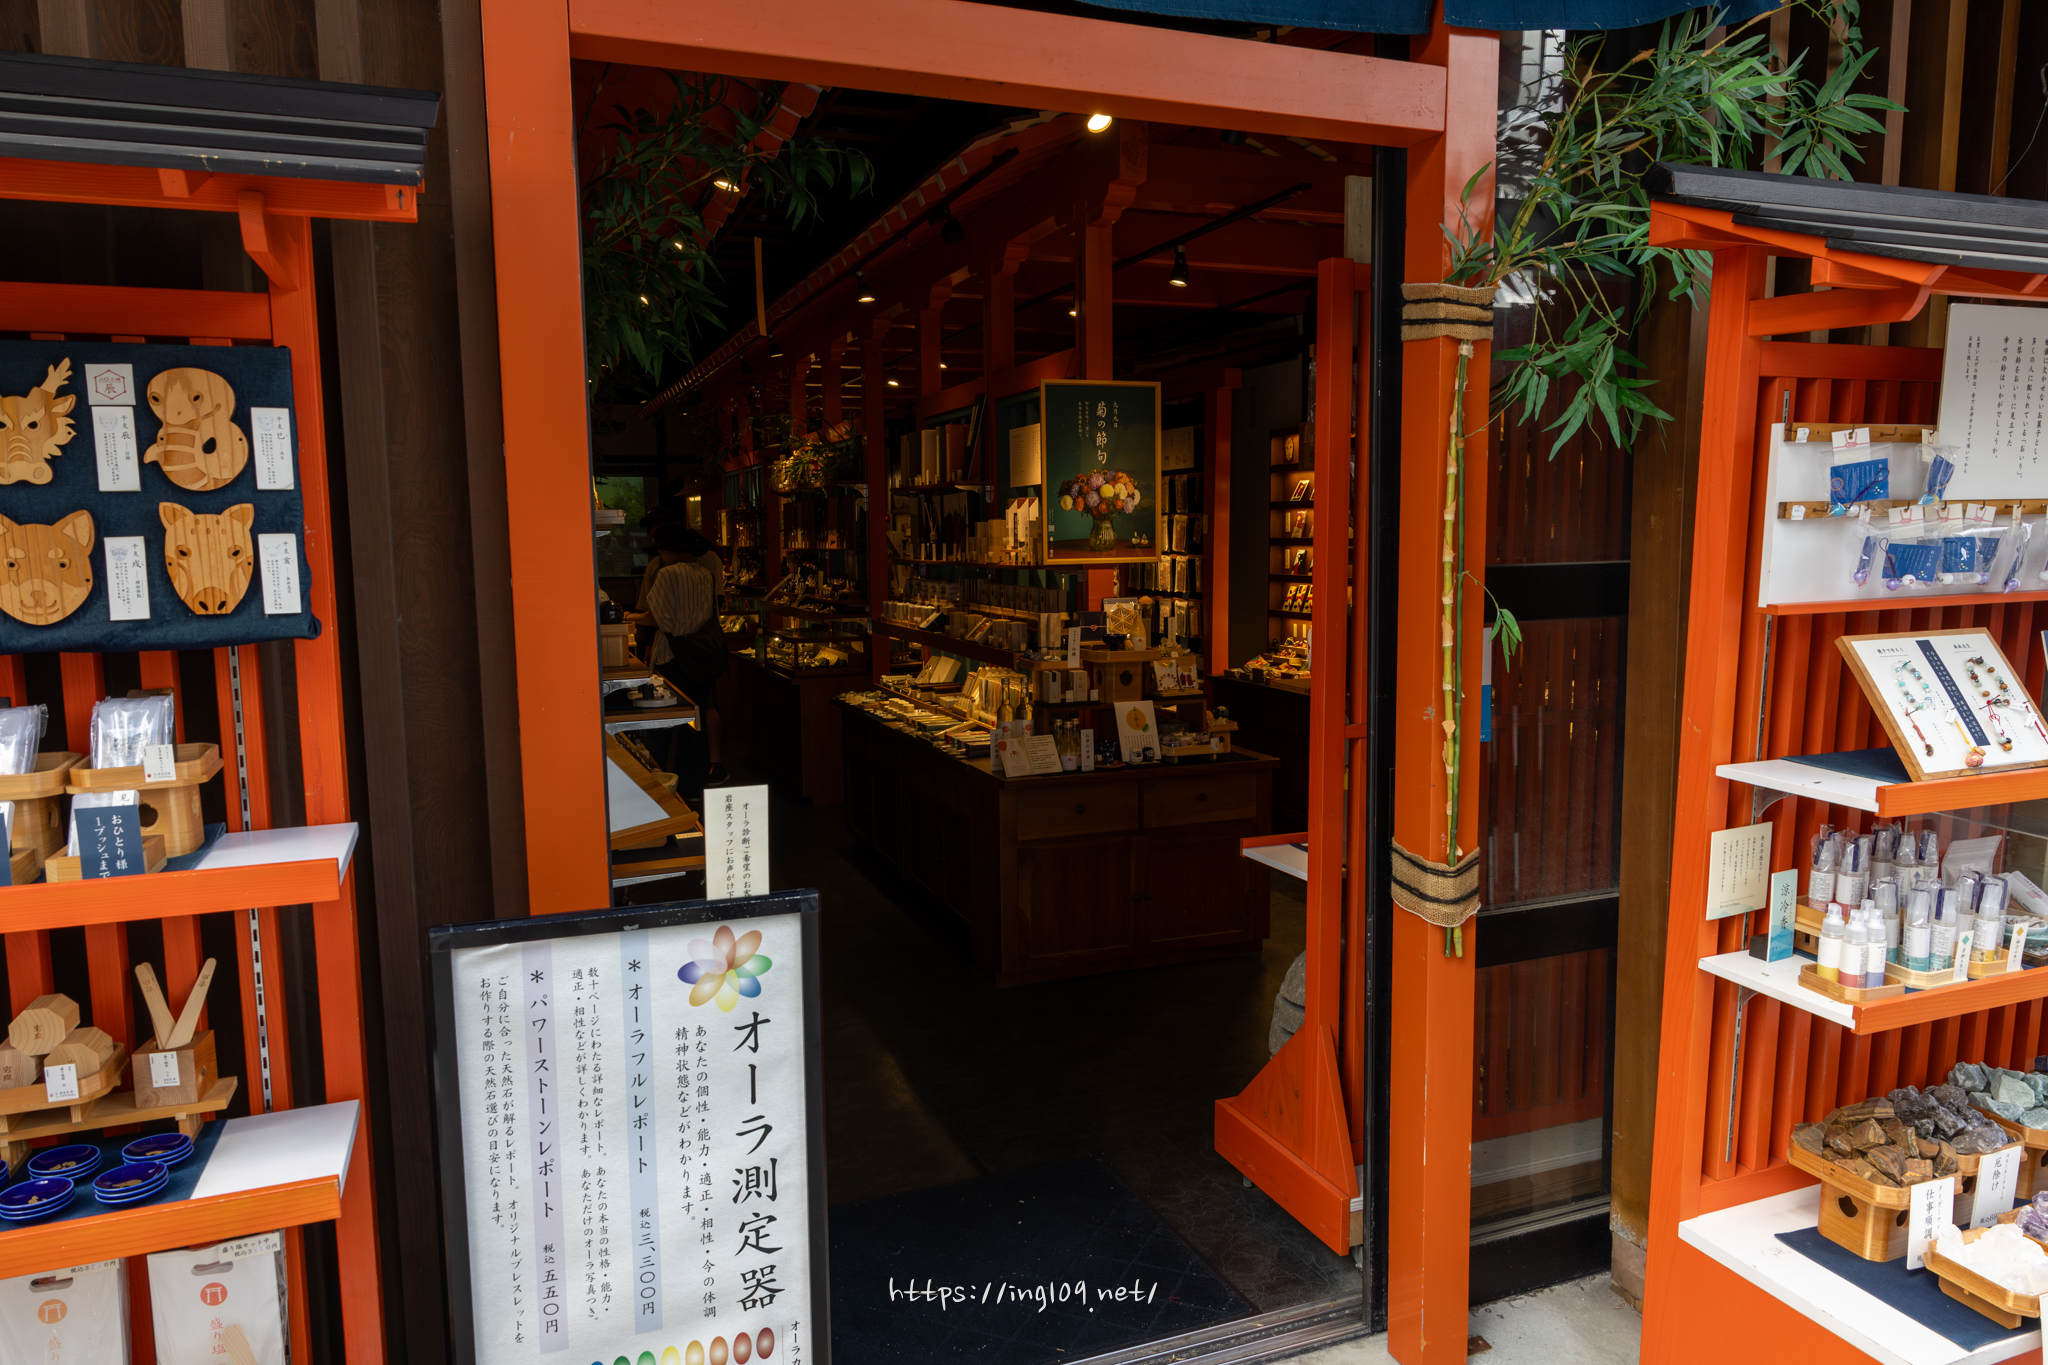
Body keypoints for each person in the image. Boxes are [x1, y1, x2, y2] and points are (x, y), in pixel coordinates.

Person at [627, 523, 730, 786]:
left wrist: (629, 616)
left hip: (671, 658)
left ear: (670, 550)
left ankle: (658, 786)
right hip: (699, 656)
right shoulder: (705, 575)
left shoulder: (667, 574)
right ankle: (692, 784)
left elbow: (658, 619)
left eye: (661, 550)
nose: (660, 555)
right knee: (694, 723)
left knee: (662, 725)